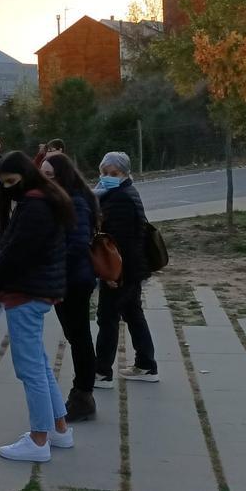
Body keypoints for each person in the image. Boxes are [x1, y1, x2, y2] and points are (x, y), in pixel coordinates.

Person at [0, 151, 73, 462]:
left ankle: (38, 440)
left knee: (29, 368)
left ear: (25, 174)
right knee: (40, 362)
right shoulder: (44, 199)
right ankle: (60, 428)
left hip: (25, 292)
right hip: (37, 290)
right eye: (3, 184)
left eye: (11, 182)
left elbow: (17, 253)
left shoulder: (35, 206)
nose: (8, 189)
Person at [93, 152, 158, 386]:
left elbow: (120, 243)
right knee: (133, 314)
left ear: (124, 173)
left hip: (122, 270)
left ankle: (101, 372)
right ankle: (146, 365)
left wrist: (113, 275)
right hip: (132, 268)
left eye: (113, 174)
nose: (107, 177)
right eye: (104, 173)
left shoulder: (120, 198)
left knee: (107, 318)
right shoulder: (121, 192)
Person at [41, 154, 97, 421]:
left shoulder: (74, 201)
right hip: (69, 279)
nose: (44, 180)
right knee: (77, 336)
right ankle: (83, 393)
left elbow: (75, 246)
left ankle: (83, 396)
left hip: (74, 281)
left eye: (49, 176)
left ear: (63, 176)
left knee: (80, 337)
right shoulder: (63, 200)